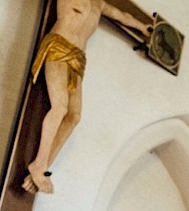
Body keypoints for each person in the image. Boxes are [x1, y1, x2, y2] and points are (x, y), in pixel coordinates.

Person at [22, 0, 152, 194]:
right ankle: (38, 166)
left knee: (74, 117)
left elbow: (123, 16)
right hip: (59, 46)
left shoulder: (99, 4)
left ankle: (42, 166)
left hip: (78, 59)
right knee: (60, 108)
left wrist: (143, 27)